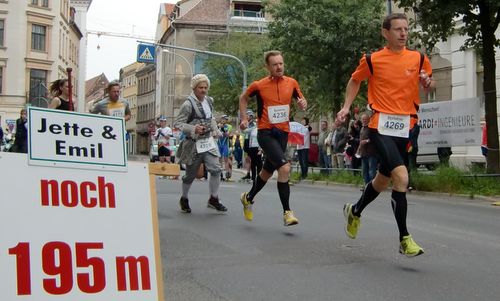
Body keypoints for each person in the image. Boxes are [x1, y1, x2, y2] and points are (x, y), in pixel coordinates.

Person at [337, 13, 434, 257]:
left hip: (407, 126)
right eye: (398, 29)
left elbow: (431, 85)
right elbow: (354, 81)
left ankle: (355, 210)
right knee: (401, 178)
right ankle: (404, 239)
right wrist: (347, 107)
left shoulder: (419, 58)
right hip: (381, 124)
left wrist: (427, 82)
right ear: (385, 33)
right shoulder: (372, 59)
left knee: (382, 180)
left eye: (406, 29)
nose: (403, 34)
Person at [239, 50, 307, 226]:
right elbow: (243, 98)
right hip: (266, 133)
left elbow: (301, 99)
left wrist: (302, 103)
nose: (279, 67)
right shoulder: (259, 85)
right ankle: (287, 212)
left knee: (267, 172)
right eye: (275, 64)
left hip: (283, 133)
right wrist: (244, 118)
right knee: (284, 168)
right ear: (267, 67)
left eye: (281, 63)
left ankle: (248, 198)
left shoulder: (291, 83)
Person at [174, 74, 227, 213]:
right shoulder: (188, 104)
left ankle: (213, 198)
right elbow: (178, 123)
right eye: (200, 87)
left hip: (208, 142)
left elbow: (211, 118)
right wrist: (193, 128)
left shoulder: (209, 101)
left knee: (216, 169)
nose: (203, 90)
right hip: (193, 144)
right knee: (190, 175)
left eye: (205, 87)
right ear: (194, 88)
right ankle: (184, 198)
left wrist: (216, 130)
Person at [357, 112, 378, 185]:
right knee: (364, 171)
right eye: (362, 119)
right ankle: (366, 185)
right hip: (363, 153)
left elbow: (375, 138)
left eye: (365, 119)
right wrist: (358, 150)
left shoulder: (372, 128)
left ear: (369, 119)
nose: (364, 120)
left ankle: (372, 186)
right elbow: (360, 141)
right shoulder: (362, 128)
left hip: (371, 153)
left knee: (372, 171)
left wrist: (366, 141)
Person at [217, 115, 233, 181]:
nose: (223, 120)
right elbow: (215, 134)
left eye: (225, 119)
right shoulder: (218, 126)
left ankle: (227, 174)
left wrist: (223, 129)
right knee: (219, 159)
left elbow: (228, 134)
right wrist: (218, 128)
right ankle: (220, 174)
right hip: (219, 144)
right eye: (222, 119)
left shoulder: (229, 126)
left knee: (226, 159)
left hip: (225, 144)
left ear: (226, 120)